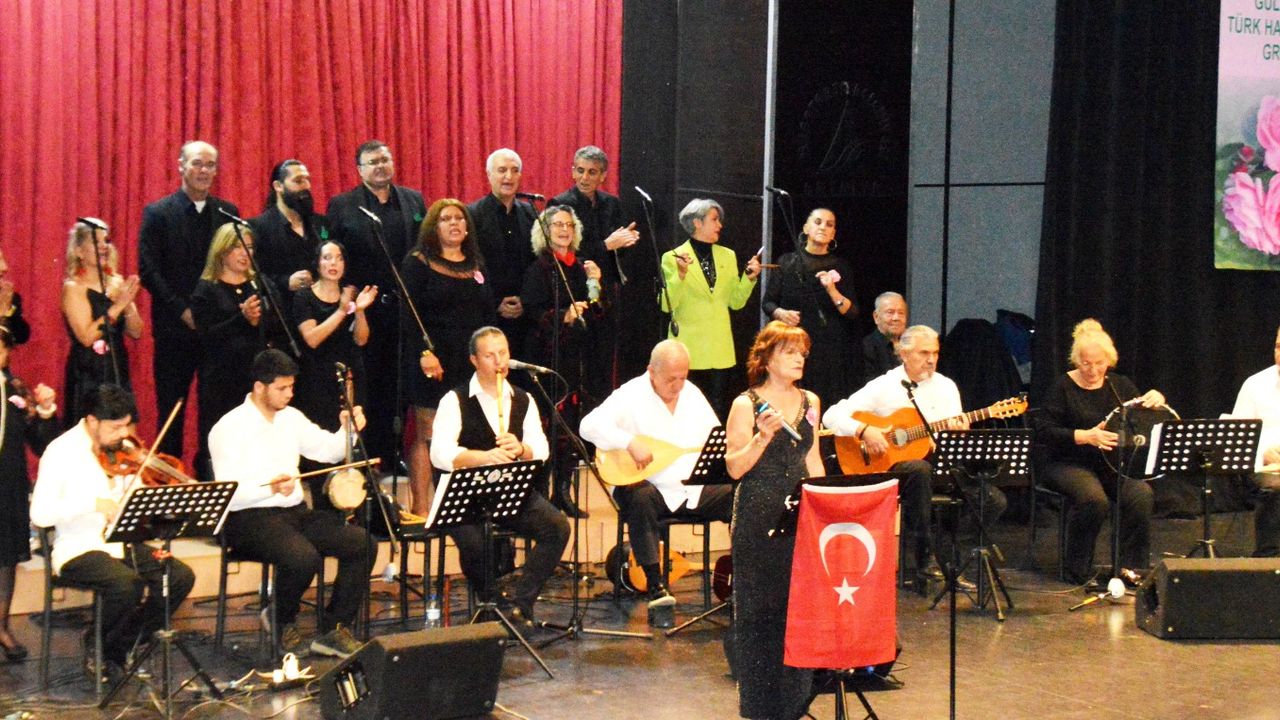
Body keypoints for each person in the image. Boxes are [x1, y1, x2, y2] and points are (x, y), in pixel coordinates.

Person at [209, 349, 372, 659]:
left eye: (291, 387)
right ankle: (280, 618)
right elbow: (227, 494)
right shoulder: (228, 428)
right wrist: (269, 487)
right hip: (247, 519)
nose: (289, 394)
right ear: (260, 387)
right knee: (302, 557)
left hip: (293, 513)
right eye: (282, 388)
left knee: (362, 543)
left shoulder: (291, 418)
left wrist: (348, 429)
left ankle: (334, 628)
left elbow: (328, 451)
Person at [30, 385, 196, 679]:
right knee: (126, 585)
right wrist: (93, 504)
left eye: (126, 426)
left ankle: (121, 643)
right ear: (93, 421)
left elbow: (138, 495)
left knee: (179, 577)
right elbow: (40, 514)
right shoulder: (61, 452)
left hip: (122, 542)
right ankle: (97, 642)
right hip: (79, 547)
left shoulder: (125, 451)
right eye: (115, 428)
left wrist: (154, 499)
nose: (123, 435)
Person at [824, 325, 1004, 585]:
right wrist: (864, 430)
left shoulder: (946, 386)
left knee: (993, 500)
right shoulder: (885, 385)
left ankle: (950, 555)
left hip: (940, 466)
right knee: (919, 469)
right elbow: (832, 415)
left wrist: (958, 433)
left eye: (935, 353)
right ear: (904, 353)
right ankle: (924, 558)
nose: (931, 359)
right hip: (898, 470)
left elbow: (951, 440)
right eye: (923, 353)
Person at [430, 327, 569, 625]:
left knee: (557, 528)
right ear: (474, 360)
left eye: (503, 353)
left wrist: (521, 449)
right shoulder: (454, 400)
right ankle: (489, 600)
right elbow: (439, 453)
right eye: (489, 355)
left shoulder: (523, 399)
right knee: (476, 544)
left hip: (509, 490)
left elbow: (541, 449)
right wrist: (482, 457)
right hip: (465, 494)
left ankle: (521, 603)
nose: (499, 361)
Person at [580, 339, 728, 613]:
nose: (678, 386)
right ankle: (655, 585)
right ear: (652, 371)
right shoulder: (630, 394)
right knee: (640, 496)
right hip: (651, 489)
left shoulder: (692, 394)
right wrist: (628, 442)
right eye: (671, 379)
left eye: (683, 377)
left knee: (740, 495)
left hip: (690, 489)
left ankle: (741, 576)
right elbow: (588, 426)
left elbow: (715, 438)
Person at [723, 321, 823, 720]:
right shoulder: (746, 404)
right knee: (758, 611)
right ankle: (760, 707)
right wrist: (761, 438)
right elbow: (734, 467)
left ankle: (794, 703)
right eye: (789, 352)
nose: (800, 359)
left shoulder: (811, 400)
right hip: (758, 512)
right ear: (766, 359)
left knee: (798, 608)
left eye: (802, 352)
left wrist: (825, 504)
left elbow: (812, 458)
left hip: (800, 510)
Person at [1034, 319, 1162, 585]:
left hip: (1109, 464)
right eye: (1086, 363)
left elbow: (1140, 421)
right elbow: (1044, 432)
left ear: (1109, 361)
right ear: (1076, 361)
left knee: (1140, 494)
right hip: (1067, 462)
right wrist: (1085, 436)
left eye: (1099, 363)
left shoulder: (1120, 385)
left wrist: (1155, 400)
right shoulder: (1062, 387)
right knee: (1094, 500)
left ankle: (1130, 568)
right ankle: (1078, 569)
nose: (1093, 370)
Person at [326, 140, 426, 463]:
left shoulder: (413, 200)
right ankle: (367, 454)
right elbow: (334, 254)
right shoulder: (343, 205)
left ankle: (393, 452)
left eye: (385, 159)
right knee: (368, 381)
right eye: (373, 162)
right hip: (364, 309)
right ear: (359, 170)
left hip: (403, 307)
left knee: (399, 383)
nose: (381, 166)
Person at [138, 140, 239, 459]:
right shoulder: (158, 213)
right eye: (197, 163)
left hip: (218, 330)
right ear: (181, 166)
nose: (204, 171)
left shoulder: (228, 213)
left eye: (210, 165)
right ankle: (170, 480)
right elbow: (148, 270)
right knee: (172, 409)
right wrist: (182, 310)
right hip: (174, 329)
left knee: (218, 411)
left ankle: (212, 476)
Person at [400, 199, 495, 516]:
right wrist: (425, 353)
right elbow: (408, 316)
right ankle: (421, 507)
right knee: (428, 433)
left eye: (459, 218)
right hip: (433, 360)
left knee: (467, 431)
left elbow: (487, 314)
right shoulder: (418, 262)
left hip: (469, 361)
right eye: (446, 219)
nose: (454, 223)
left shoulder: (477, 264)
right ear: (433, 226)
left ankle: (460, 506)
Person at [520, 205, 603, 517]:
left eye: (569, 225)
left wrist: (595, 283)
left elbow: (597, 310)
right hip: (546, 357)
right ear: (545, 230)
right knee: (545, 427)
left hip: (575, 358)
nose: (564, 230)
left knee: (570, 428)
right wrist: (563, 315)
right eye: (557, 224)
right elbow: (532, 310)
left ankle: (564, 491)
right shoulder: (539, 268)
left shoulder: (581, 268)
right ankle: (540, 494)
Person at [190, 223, 286, 480]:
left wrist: (260, 321)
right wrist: (242, 319)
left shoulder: (261, 284)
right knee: (224, 445)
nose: (245, 253)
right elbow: (206, 336)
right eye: (237, 247)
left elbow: (279, 325)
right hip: (221, 381)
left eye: (250, 247)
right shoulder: (206, 289)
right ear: (222, 251)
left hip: (256, 379)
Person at [292, 240, 376, 510]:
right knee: (322, 449)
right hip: (317, 382)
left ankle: (353, 510)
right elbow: (312, 338)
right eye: (327, 257)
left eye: (339, 258)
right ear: (317, 263)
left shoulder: (349, 296)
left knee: (352, 446)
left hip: (350, 378)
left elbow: (361, 339)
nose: (333, 263)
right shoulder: (304, 297)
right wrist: (341, 310)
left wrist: (359, 311)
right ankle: (322, 512)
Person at [660, 198, 761, 417]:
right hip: (689, 349)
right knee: (686, 410)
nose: (720, 225)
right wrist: (680, 275)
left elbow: (735, 302)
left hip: (719, 349)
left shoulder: (728, 255)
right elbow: (667, 305)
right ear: (697, 222)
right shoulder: (672, 257)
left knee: (717, 410)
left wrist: (749, 278)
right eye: (714, 219)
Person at [552, 145, 640, 392]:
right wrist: (606, 245)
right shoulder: (561, 204)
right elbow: (566, 250)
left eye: (592, 172)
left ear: (603, 176)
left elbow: (616, 252)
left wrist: (625, 242)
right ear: (572, 171)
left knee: (602, 360)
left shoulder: (612, 204)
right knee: (575, 361)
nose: (585, 177)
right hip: (574, 290)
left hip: (605, 294)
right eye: (580, 170)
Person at [761, 207, 860, 405]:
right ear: (806, 228)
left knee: (825, 400)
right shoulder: (787, 262)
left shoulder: (840, 266)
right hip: (793, 345)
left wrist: (832, 290)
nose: (823, 227)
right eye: (818, 222)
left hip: (828, 349)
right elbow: (768, 303)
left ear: (833, 234)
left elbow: (852, 312)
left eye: (829, 225)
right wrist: (780, 313)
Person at [0, 329, 57, 662]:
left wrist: (45, 411)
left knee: (5, 558)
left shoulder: (15, 389)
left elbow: (41, 443)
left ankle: (1, 626)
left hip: (6, 486)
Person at [61, 219, 143, 424]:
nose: (104, 247)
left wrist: (128, 304)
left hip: (117, 369)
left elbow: (136, 331)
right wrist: (117, 306)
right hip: (88, 374)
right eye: (96, 242)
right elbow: (86, 337)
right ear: (79, 251)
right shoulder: (73, 288)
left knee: (124, 429)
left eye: (106, 241)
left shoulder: (116, 281)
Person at [468, 149, 536, 346]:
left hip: (525, 314)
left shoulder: (531, 213)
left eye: (515, 170)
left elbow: (536, 262)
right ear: (489, 175)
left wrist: (526, 299)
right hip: (487, 314)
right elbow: (470, 266)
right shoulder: (472, 214)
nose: (509, 176)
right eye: (502, 170)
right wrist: (495, 302)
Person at [1229, 323, 1280, 556]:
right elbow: (1237, 439)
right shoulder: (1255, 385)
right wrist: (1263, 453)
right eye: (1277, 347)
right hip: (1266, 467)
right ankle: (1270, 558)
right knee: (1275, 486)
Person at [250, 159, 326, 315]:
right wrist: (285, 282)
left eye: (307, 180)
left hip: (322, 311)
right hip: (283, 313)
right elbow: (253, 275)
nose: (306, 186)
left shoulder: (321, 224)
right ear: (278, 186)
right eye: (298, 181)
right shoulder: (258, 228)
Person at [861, 291, 908, 386]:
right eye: (890, 312)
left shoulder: (911, 345)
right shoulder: (865, 347)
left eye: (901, 313)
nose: (896, 318)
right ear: (876, 317)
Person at [0, 249, 31, 345]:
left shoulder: (7, 296)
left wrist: (8, 311)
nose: (5, 267)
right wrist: (1, 313)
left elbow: (21, 336)